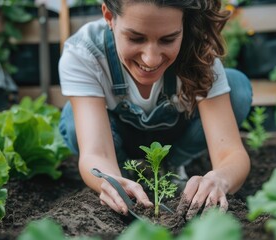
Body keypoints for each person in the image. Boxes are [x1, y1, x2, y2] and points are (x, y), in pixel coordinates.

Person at [58, 0, 252, 220]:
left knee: (236, 89)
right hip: (117, 140)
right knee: (73, 120)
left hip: (175, 134)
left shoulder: (197, 50)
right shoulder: (85, 51)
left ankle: (172, 165)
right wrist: (109, 180)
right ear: (109, 17)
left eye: (168, 39)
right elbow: (95, 152)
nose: (151, 58)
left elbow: (231, 154)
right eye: (136, 38)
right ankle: (125, 174)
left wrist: (221, 179)